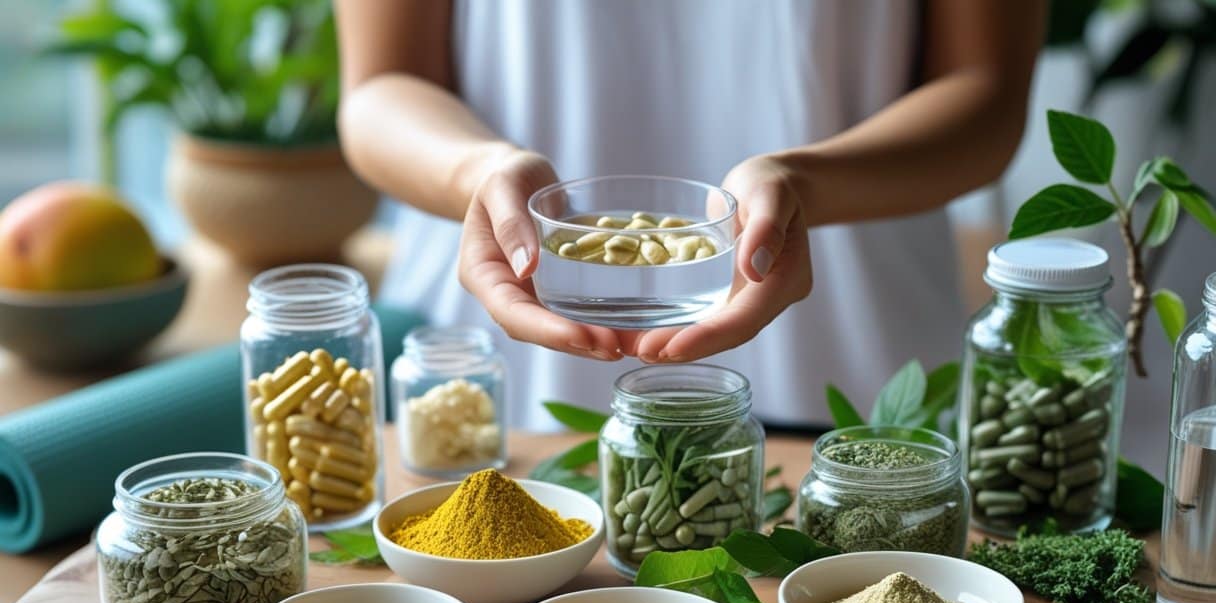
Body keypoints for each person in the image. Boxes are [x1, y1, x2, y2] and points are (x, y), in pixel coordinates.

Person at [335, 0, 1043, 430]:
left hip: (856, 381)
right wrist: (476, 170)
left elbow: (986, 91)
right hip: (499, 394)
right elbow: (377, 90)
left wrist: (806, 185)